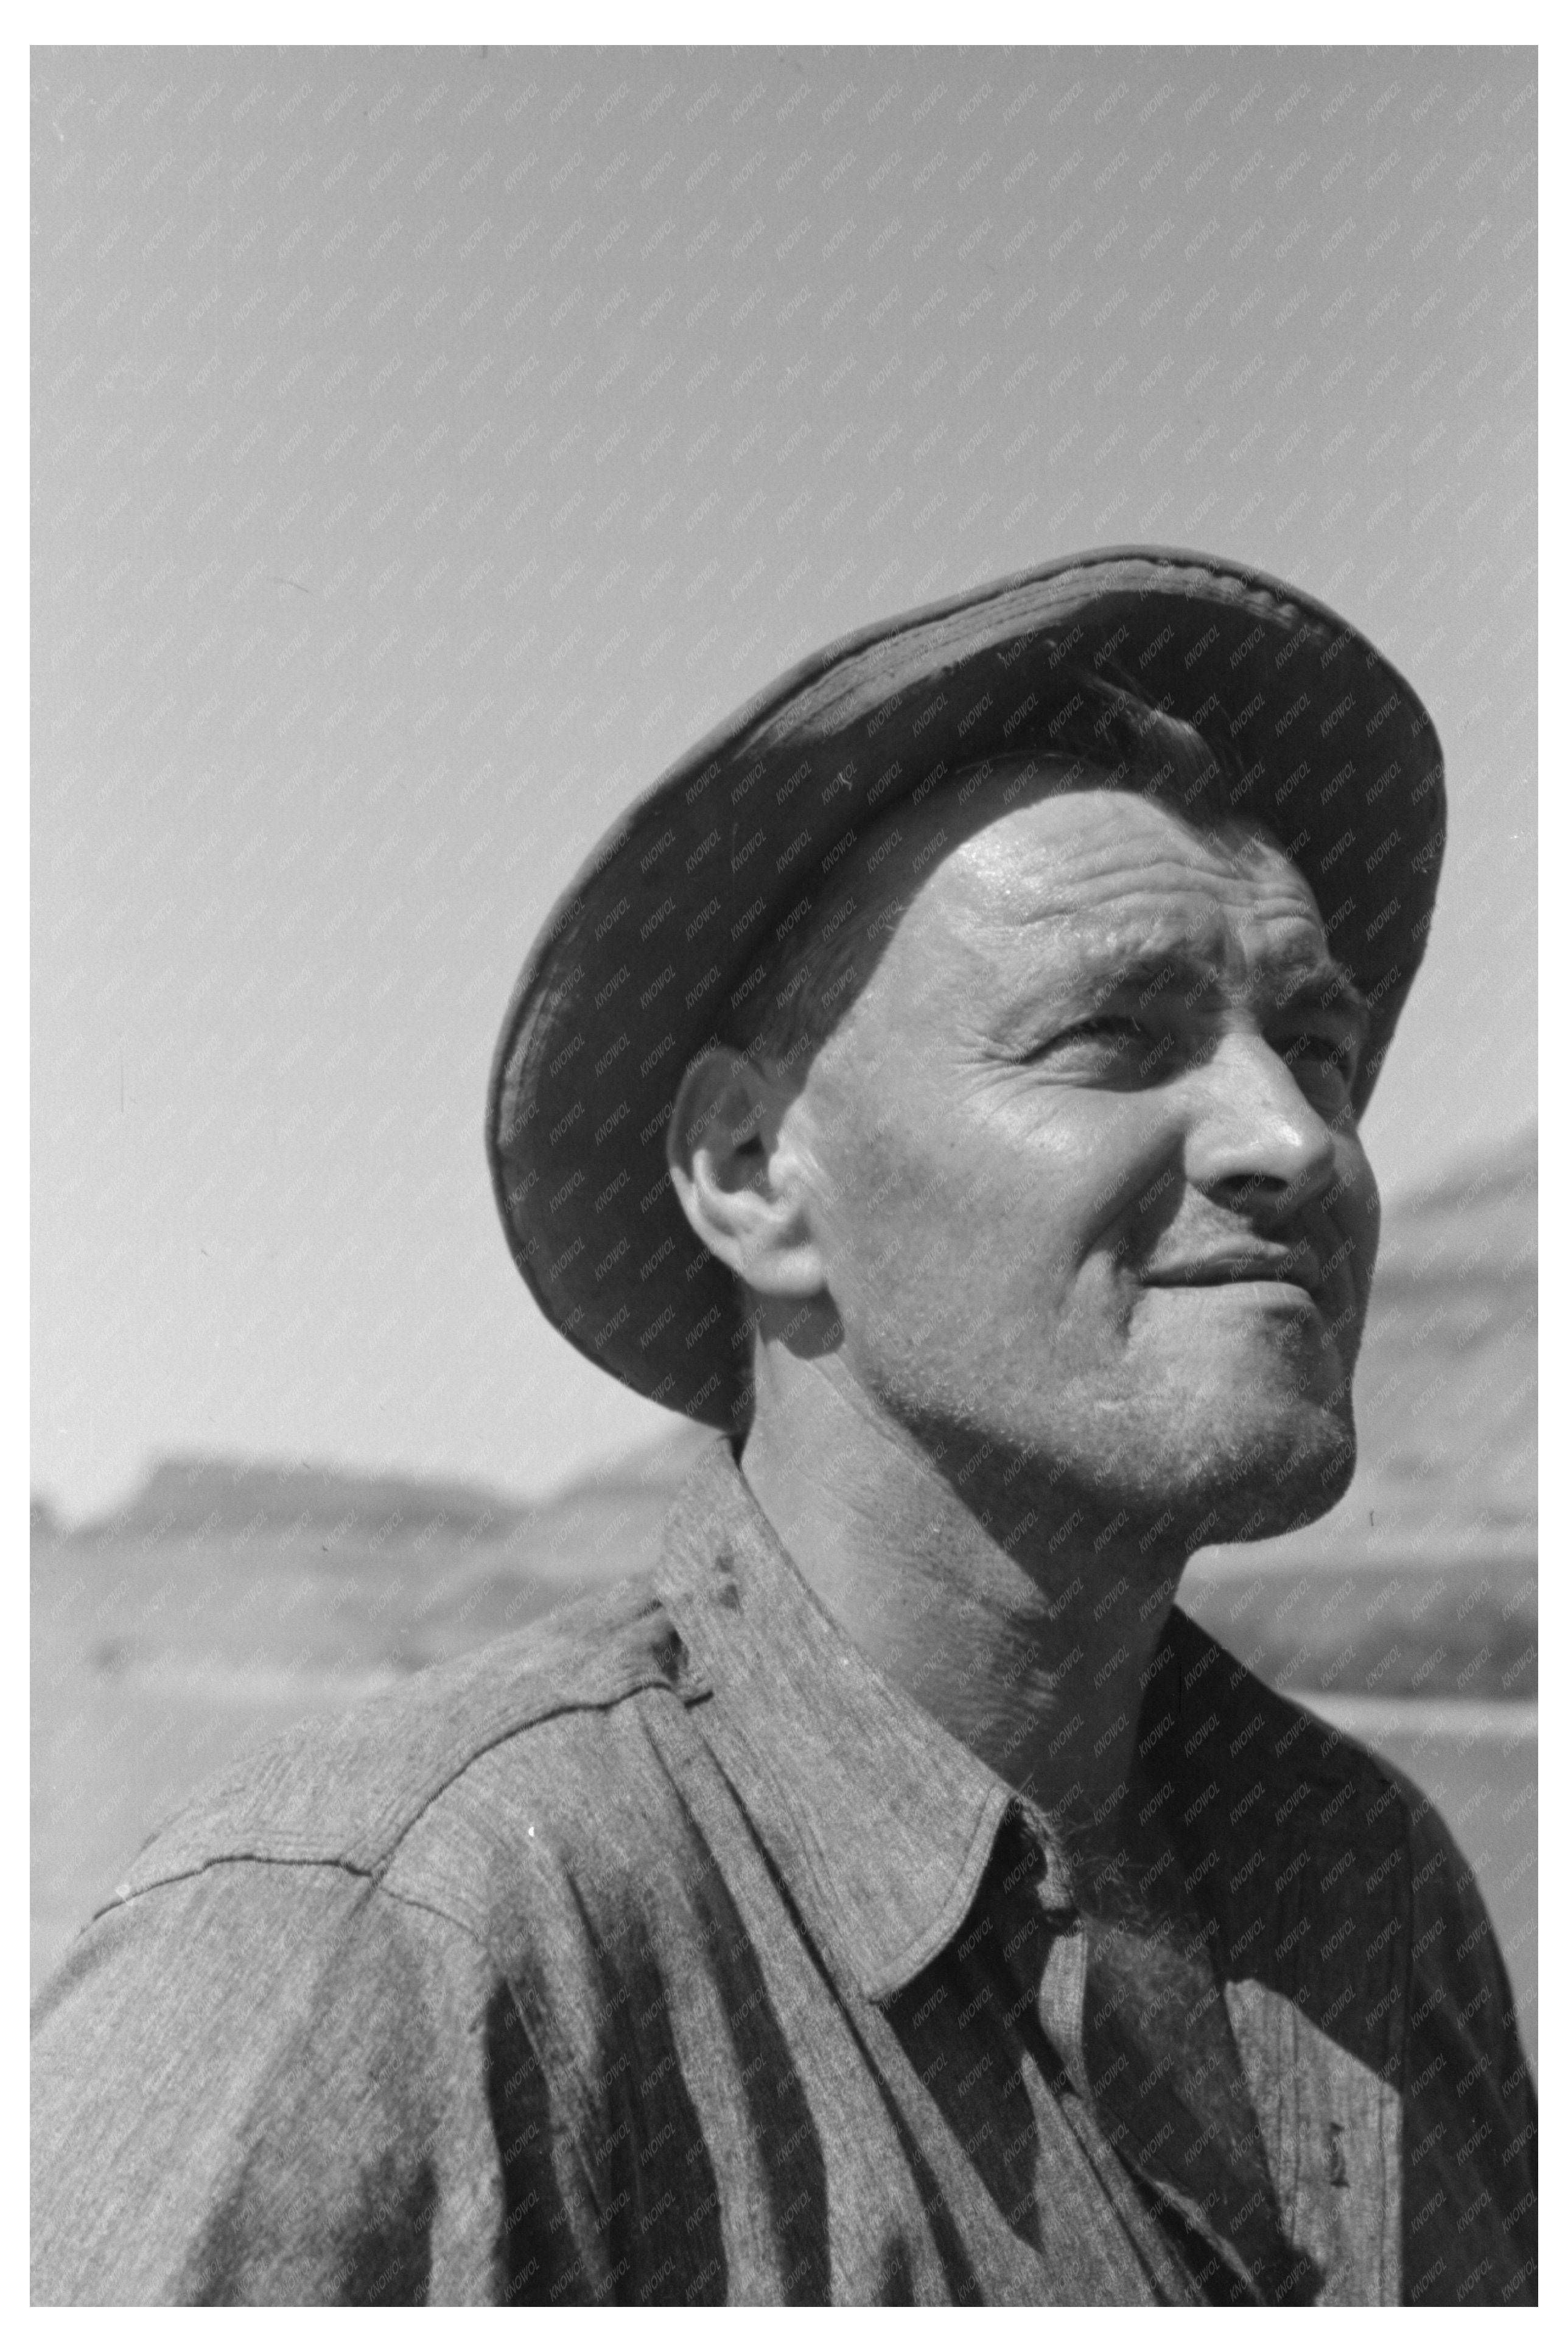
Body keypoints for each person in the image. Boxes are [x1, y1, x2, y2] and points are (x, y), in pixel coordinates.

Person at [32, 548, 1535, 2305]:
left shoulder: (1369, 1879)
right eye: (1114, 1033)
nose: (1296, 1138)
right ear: (753, 1178)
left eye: (1322, 1048)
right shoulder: (398, 1956)